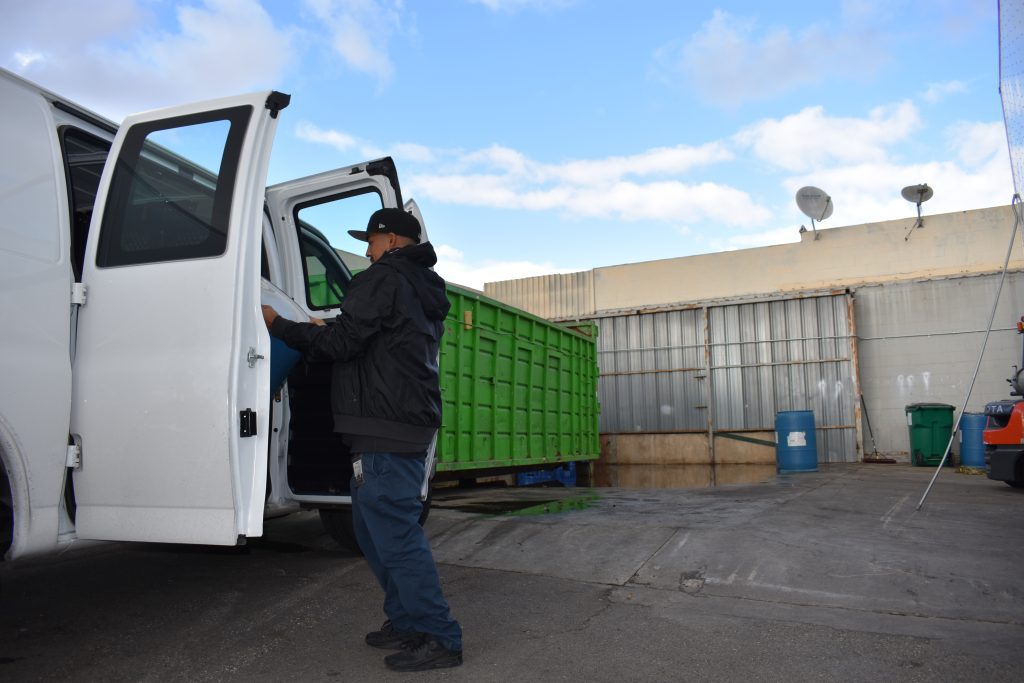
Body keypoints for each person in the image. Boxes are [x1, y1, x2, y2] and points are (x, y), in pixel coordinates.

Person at [261, 207, 462, 672]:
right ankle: (409, 622)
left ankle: (439, 636)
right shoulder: (419, 284)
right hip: (396, 422)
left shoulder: (383, 278)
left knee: (395, 538)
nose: (366, 250)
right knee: (375, 535)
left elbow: (342, 346)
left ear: (392, 240)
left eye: (371, 241)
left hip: (384, 426)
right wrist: (325, 330)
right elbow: (369, 339)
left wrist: (279, 325)